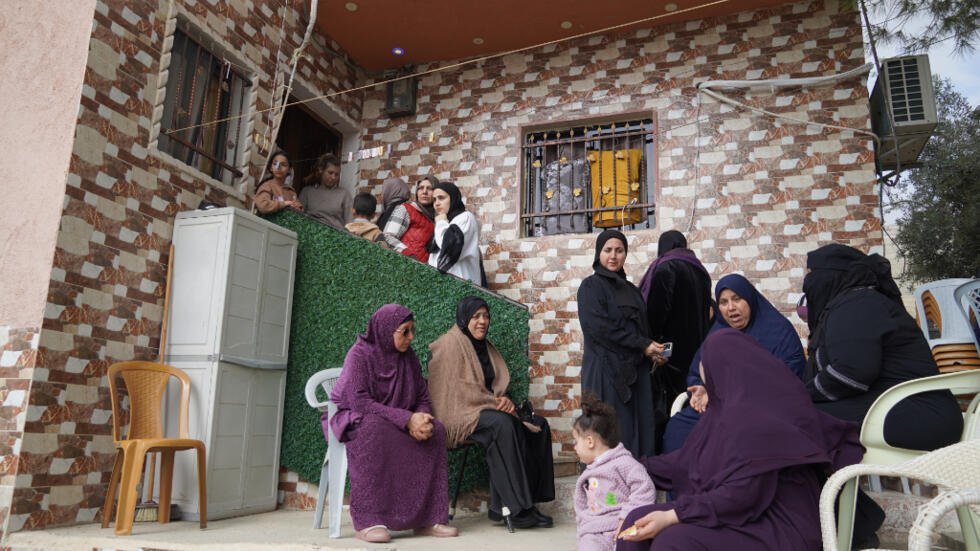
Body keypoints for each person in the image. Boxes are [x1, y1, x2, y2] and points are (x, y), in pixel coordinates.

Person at [616, 329, 864, 551]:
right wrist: (625, 465)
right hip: (740, 514)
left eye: (705, 361)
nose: (701, 370)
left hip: (779, 526)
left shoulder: (755, 423)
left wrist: (675, 515)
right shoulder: (723, 414)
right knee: (634, 524)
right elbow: (687, 462)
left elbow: (742, 495)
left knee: (673, 540)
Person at [801, 243, 964, 547]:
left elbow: (850, 373)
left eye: (811, 274)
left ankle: (853, 528)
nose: (807, 283)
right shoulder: (853, 303)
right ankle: (854, 524)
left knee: (796, 425)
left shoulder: (858, 305)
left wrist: (799, 397)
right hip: (902, 408)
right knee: (794, 423)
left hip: (920, 415)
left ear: (831, 275)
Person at [328, 304, 458, 543]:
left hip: (395, 419)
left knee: (436, 430)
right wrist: (407, 419)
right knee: (374, 429)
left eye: (412, 331)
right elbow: (359, 402)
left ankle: (428, 519)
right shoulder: (359, 355)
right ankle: (368, 521)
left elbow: (422, 396)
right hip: (355, 417)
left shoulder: (408, 358)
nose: (411, 337)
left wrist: (421, 418)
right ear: (386, 330)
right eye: (404, 332)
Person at [427, 296, 555, 530]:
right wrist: (495, 403)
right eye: (476, 316)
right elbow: (455, 391)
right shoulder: (448, 345)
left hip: (483, 408)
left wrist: (501, 402)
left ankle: (528, 503)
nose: (482, 321)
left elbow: (489, 388)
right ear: (464, 318)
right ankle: (517, 511)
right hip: (458, 415)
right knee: (502, 425)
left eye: (486, 316)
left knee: (538, 423)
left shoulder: (484, 347)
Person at [661, 273, 806, 453]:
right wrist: (703, 389)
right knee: (678, 429)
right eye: (723, 302)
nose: (731, 308)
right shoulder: (717, 332)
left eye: (737, 299)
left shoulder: (777, 331)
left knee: (735, 435)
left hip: (762, 409)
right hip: (718, 407)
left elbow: (790, 376)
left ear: (750, 299)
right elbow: (697, 372)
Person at [578, 229, 664, 458]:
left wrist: (651, 351)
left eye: (619, 250)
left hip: (636, 371)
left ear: (625, 254)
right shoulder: (590, 287)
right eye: (608, 250)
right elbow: (599, 329)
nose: (613, 256)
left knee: (638, 429)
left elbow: (643, 329)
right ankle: (607, 493)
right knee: (607, 432)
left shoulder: (633, 291)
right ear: (599, 253)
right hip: (605, 372)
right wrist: (642, 345)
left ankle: (637, 487)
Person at [636, 230, 712, 451]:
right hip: (696, 354)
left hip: (668, 356)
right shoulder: (701, 271)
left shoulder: (666, 267)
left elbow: (656, 313)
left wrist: (649, 343)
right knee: (690, 407)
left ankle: (667, 458)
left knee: (667, 410)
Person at [574, 391, 657, 551]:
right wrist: (585, 525)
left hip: (621, 526)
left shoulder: (624, 463)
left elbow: (644, 489)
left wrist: (625, 517)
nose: (574, 447)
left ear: (590, 441)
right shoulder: (589, 472)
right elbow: (582, 506)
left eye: (576, 441)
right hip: (594, 531)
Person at [428, 181, 483, 285]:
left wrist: (441, 223)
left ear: (453, 198)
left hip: (462, 283)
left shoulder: (465, 218)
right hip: (443, 286)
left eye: (441, 198)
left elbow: (448, 247)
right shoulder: (447, 220)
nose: (436, 203)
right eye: (434, 199)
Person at [381, 176, 437, 262]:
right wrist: (409, 255)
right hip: (403, 265)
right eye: (421, 188)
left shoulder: (437, 218)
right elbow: (387, 236)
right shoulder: (406, 209)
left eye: (429, 188)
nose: (424, 192)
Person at [299, 153, 352, 230]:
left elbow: (350, 224)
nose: (333, 177)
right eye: (330, 173)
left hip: (335, 235)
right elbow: (298, 216)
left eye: (336, 174)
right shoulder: (307, 192)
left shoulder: (344, 194)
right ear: (321, 170)